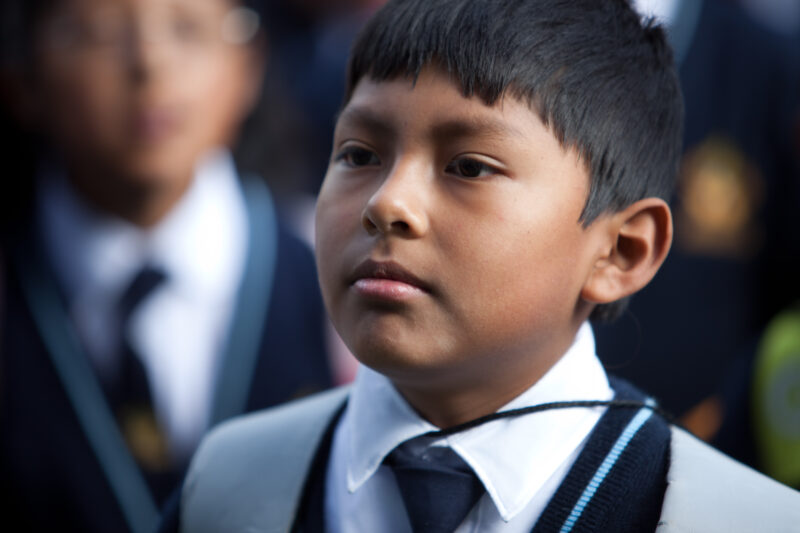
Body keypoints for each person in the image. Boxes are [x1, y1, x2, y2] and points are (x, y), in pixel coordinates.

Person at [163, 0, 800, 531]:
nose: (388, 203)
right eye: (358, 154)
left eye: (469, 167)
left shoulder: (734, 518)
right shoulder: (226, 489)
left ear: (620, 251)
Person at [0, 0, 332, 531]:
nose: (149, 64)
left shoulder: (335, 283)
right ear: (22, 79)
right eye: (97, 33)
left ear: (247, 63)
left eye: (188, 27)